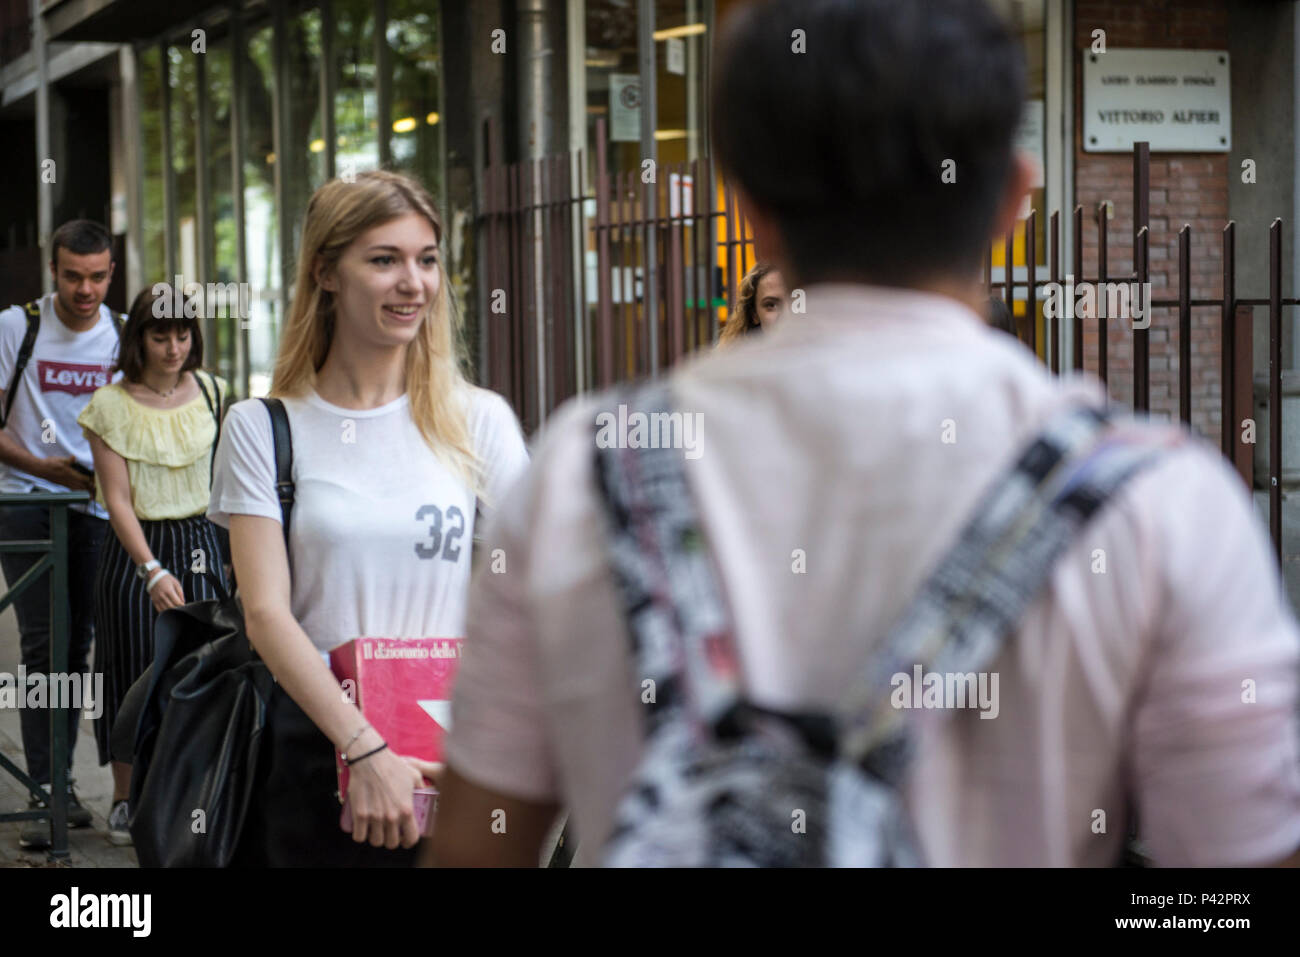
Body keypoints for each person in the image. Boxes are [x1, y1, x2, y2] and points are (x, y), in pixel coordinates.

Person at [430, 0, 1300, 867]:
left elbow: (477, 849)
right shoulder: (1162, 506)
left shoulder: (580, 474)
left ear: (745, 205)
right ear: (1013, 196)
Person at [207, 170, 528, 866]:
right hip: (316, 754)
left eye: (427, 258)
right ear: (326, 272)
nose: (413, 281)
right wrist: (366, 749)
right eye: (384, 259)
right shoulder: (262, 427)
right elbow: (265, 614)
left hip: (453, 758)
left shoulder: (480, 421)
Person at [77, 284, 229, 846]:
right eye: (159, 335)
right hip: (136, 550)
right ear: (137, 339)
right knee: (133, 671)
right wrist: (151, 570)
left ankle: (194, 793)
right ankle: (124, 797)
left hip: (203, 541)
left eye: (182, 335)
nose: (172, 348)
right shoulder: (109, 406)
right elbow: (115, 499)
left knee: (206, 671)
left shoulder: (214, 392)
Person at [0, 219, 123, 850]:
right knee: (46, 647)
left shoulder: (122, 335)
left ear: (110, 271)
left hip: (99, 511)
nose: (86, 289)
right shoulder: (15, 327)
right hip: (27, 503)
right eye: (73, 276)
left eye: (98, 276)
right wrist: (42, 466)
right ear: (54, 271)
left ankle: (63, 785)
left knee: (80, 649)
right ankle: (45, 791)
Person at [718, 262, 787, 346]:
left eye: (795, 302)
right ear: (754, 314)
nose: (786, 315)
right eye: (772, 305)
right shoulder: (740, 358)